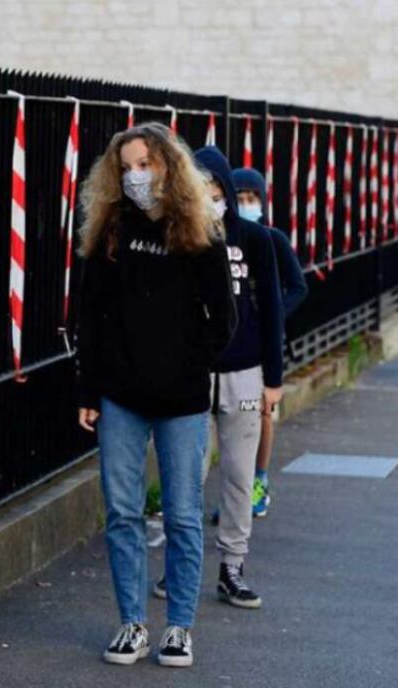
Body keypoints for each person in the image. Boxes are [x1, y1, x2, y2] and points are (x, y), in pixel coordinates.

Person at [75, 123, 236, 669]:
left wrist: (188, 369)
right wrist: (90, 387)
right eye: (126, 166)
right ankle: (132, 623)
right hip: (120, 396)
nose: (135, 175)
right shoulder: (111, 228)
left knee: (183, 515)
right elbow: (90, 315)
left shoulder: (198, 230)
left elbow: (225, 320)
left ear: (168, 165)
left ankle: (180, 628)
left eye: (144, 164)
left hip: (182, 400)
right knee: (121, 512)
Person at [185, 148, 284, 612]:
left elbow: (273, 312)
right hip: (192, 374)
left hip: (245, 376)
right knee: (188, 471)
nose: (214, 198)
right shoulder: (181, 237)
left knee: (240, 474)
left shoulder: (257, 239)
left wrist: (273, 379)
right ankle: (180, 564)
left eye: (218, 190)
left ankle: (232, 566)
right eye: (202, 190)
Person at [232, 166, 308, 517]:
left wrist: (273, 316)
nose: (246, 204)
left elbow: (298, 286)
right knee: (232, 420)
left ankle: (259, 482)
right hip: (233, 348)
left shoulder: (273, 239)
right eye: (240, 198)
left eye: (252, 198)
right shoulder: (227, 241)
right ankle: (237, 493)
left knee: (260, 413)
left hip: (266, 349)